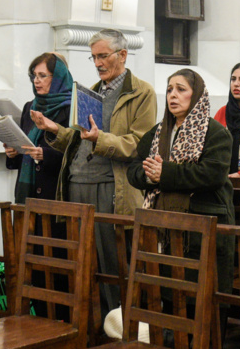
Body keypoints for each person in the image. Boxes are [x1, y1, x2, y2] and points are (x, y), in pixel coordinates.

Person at [33, 29, 157, 315]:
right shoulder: (91, 91)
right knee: (84, 263)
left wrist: (100, 139)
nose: (98, 63)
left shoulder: (141, 93)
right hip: (77, 183)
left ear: (122, 55)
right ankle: (88, 325)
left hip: (110, 186)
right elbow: (79, 138)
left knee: (112, 264)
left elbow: (140, 144)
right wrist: (54, 129)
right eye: (94, 57)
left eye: (103, 56)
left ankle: (117, 325)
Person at [127, 69, 235, 291]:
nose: (173, 95)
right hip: (162, 222)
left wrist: (165, 174)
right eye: (169, 90)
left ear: (197, 95)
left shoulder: (215, 133)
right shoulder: (158, 132)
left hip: (201, 221)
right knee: (165, 289)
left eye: (181, 89)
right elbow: (134, 168)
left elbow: (212, 174)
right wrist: (149, 176)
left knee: (198, 293)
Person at [5, 53, 73, 203]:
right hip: (27, 191)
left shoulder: (72, 108)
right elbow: (26, 146)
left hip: (53, 191)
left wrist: (46, 155)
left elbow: (77, 154)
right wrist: (14, 153)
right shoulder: (30, 107)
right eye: (34, 76)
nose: (36, 81)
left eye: (42, 76)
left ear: (58, 78)